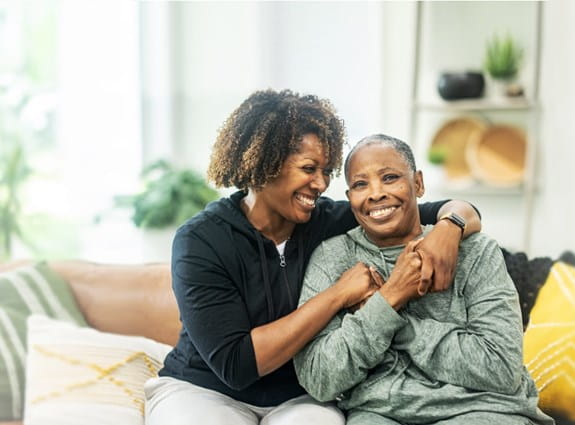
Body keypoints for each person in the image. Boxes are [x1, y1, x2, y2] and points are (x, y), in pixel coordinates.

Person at [144, 90, 482, 425]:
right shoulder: (201, 239)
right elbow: (237, 365)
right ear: (265, 163)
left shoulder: (325, 220)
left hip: (298, 396)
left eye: (326, 171)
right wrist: (337, 295)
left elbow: (453, 210)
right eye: (309, 169)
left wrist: (448, 230)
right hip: (203, 390)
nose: (320, 184)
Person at [294, 134, 554, 425]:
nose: (375, 193)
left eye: (390, 177)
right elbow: (318, 379)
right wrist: (391, 296)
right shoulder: (333, 257)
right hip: (379, 414)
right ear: (349, 198)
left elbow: (501, 369)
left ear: (418, 183)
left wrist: (388, 312)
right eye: (360, 184)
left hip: (484, 410)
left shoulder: (475, 251)